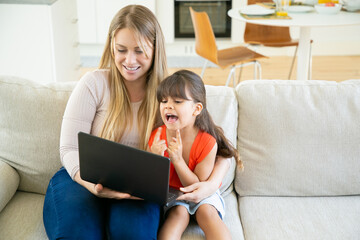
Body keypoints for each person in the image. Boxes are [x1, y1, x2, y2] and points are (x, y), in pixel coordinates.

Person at [43, 4, 230, 240]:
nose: (129, 60)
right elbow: (69, 148)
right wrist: (93, 187)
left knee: (134, 235)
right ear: (111, 47)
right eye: (121, 49)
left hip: (138, 186)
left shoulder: (168, 95)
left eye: (139, 51)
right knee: (77, 234)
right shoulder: (93, 84)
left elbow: (217, 144)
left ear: (155, 49)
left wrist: (211, 185)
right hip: (83, 179)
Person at [148, 70, 243, 240]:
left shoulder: (207, 142)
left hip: (202, 190)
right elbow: (154, 180)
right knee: (178, 214)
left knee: (207, 212)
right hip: (174, 194)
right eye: (164, 101)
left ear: (196, 109)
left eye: (177, 101)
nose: (168, 105)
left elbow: (197, 186)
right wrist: (153, 158)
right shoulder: (157, 136)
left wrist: (177, 160)